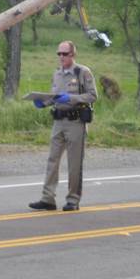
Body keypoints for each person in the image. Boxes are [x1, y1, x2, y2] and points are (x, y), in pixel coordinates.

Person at [29, 40, 97, 212]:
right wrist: (42, 103)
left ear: (73, 54)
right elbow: (54, 96)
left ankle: (73, 200)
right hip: (58, 121)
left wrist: (72, 98)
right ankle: (48, 198)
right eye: (58, 53)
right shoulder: (57, 74)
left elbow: (92, 95)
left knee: (74, 163)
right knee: (52, 160)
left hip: (75, 121)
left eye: (64, 54)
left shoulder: (82, 72)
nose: (61, 57)